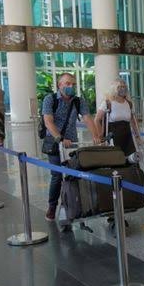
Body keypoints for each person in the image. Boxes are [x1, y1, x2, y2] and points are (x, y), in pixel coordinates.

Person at [42, 72, 99, 221]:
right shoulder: (50, 99)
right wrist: (60, 138)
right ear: (60, 85)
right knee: (57, 175)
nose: (70, 86)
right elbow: (48, 121)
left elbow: (87, 118)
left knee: (74, 174)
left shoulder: (78, 101)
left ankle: (73, 205)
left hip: (72, 144)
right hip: (54, 143)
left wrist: (96, 136)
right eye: (67, 84)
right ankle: (52, 207)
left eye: (72, 84)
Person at [94, 78, 143, 157]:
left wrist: (138, 136)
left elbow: (133, 122)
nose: (122, 89)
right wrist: (101, 136)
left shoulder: (129, 103)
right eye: (119, 87)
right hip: (113, 137)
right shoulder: (108, 102)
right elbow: (97, 119)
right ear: (114, 89)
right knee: (116, 159)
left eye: (124, 87)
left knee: (131, 159)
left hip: (127, 137)